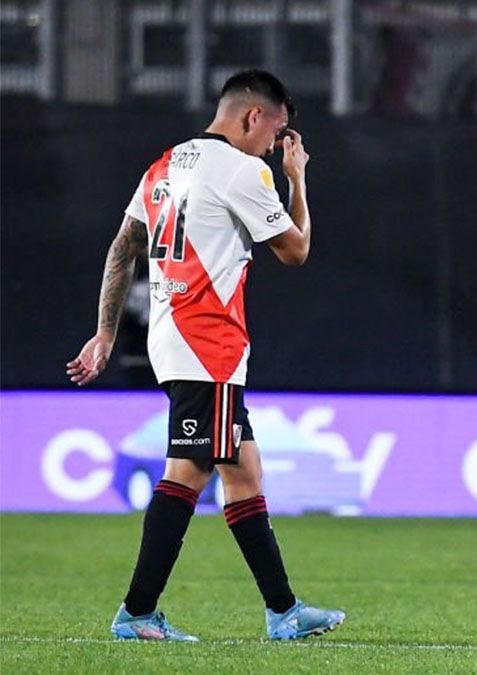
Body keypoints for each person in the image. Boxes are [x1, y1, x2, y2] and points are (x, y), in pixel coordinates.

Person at [66, 70, 345, 642]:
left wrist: (105, 333)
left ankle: (284, 611)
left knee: (242, 469)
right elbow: (296, 250)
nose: (275, 145)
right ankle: (138, 612)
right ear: (253, 117)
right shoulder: (243, 170)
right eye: (276, 132)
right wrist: (296, 178)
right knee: (188, 473)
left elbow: (123, 247)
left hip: (175, 336)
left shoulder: (164, 165)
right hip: (207, 342)